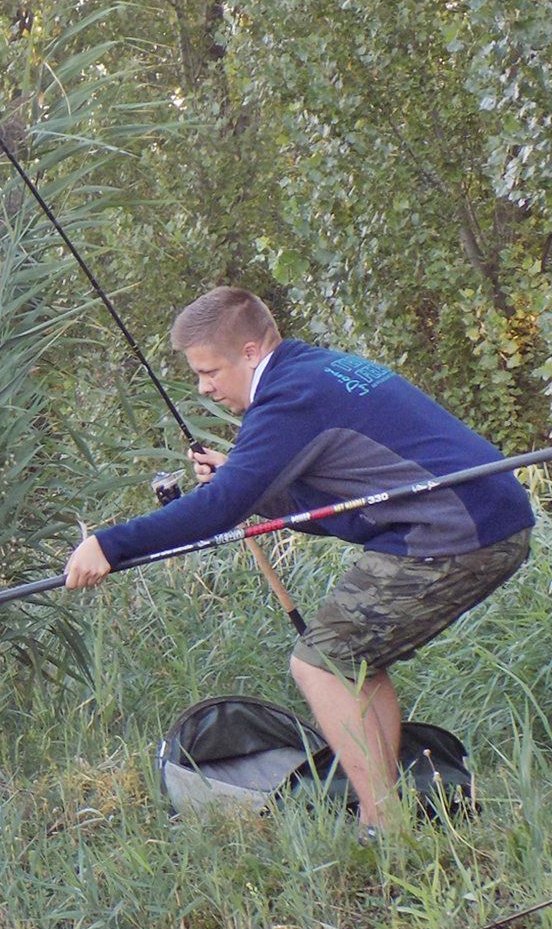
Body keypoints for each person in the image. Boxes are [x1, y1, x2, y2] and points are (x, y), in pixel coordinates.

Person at [63, 287, 534, 828]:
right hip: (478, 517)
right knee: (348, 656)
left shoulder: (289, 396)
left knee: (323, 659)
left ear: (248, 351)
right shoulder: (314, 371)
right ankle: (389, 817)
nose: (204, 387)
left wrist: (109, 543)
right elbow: (341, 497)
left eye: (209, 371)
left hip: (457, 530)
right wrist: (249, 487)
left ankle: (383, 827)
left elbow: (216, 511)